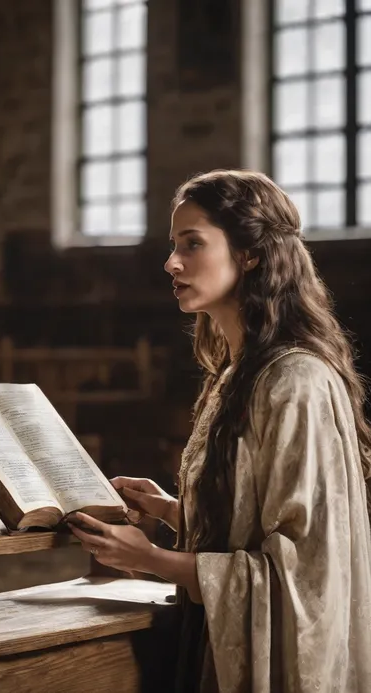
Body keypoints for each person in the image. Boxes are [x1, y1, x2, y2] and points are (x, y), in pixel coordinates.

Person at [69, 169, 371, 692]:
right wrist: (172, 509)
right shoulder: (237, 374)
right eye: (172, 244)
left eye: (193, 243)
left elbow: (305, 575)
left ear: (250, 254)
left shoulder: (295, 381)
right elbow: (250, 525)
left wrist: (150, 558)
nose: (172, 262)